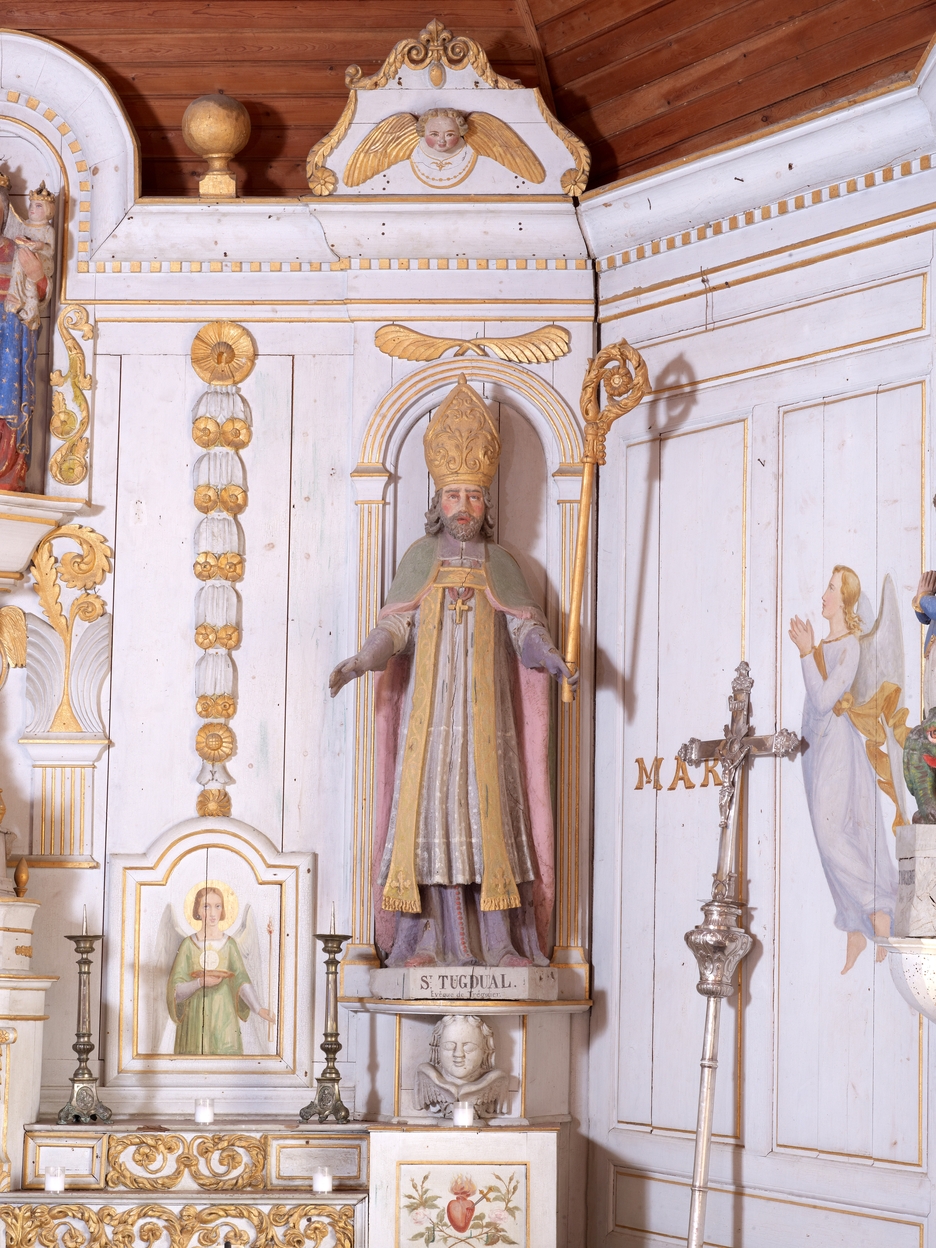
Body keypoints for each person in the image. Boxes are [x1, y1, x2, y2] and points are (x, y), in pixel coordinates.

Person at [330, 376, 574, 967]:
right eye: (453, 495)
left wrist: (550, 656)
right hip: (431, 729)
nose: (463, 506)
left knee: (492, 825)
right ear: (436, 502)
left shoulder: (502, 564)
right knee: (431, 826)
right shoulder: (419, 559)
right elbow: (395, 627)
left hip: (489, 730)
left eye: (474, 496)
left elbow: (523, 631)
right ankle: (427, 942)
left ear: (487, 503)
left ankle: (502, 945)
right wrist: (364, 659)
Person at [789, 566, 898, 973]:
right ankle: (854, 925)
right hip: (814, 748)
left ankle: (877, 907)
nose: (824, 594)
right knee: (824, 839)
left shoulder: (850, 646)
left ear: (845, 599)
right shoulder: (826, 644)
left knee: (832, 833)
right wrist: (811, 650)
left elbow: (823, 701)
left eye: (832, 588)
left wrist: (805, 652)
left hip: (837, 748)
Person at [166, 885, 274, 1055]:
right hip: (195, 1020)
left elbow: (241, 980)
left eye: (217, 906)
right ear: (197, 910)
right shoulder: (188, 945)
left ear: (223, 910)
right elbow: (175, 991)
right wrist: (199, 982)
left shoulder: (230, 945)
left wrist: (258, 1008)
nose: (212, 913)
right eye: (206, 906)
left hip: (224, 1019)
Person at [0, 176, 54, 490]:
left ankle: (8, 472)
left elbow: (40, 294)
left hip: (10, 332)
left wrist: (36, 276)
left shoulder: (16, 250)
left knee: (8, 398)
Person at [414, 1014, 508, 1118]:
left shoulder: (495, 1078)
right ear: (437, 1048)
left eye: (469, 1047)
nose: (458, 1054)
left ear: (485, 1050)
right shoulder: (427, 1074)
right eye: (449, 1046)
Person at [410, 108, 475, 189]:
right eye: (434, 134)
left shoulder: (469, 153)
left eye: (449, 135)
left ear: (460, 133)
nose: (442, 140)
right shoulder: (415, 153)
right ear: (423, 132)